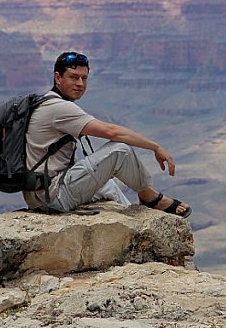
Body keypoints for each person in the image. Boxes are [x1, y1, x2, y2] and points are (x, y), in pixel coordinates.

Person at [23, 51, 192, 218]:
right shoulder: (59, 108)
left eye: (84, 78)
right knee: (119, 150)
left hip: (41, 195)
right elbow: (111, 132)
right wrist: (156, 147)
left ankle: (135, 227)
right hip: (53, 197)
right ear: (58, 78)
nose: (80, 83)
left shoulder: (47, 101)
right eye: (74, 77)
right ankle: (151, 198)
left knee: (108, 185)